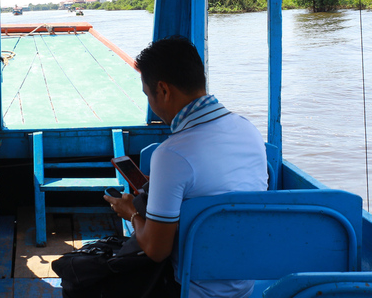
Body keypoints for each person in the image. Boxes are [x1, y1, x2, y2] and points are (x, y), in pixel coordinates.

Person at [104, 37, 267, 298]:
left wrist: (131, 212)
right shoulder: (247, 128)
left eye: (148, 95)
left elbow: (157, 251)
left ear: (164, 90)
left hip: (190, 289)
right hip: (243, 285)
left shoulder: (171, 154)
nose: (152, 106)